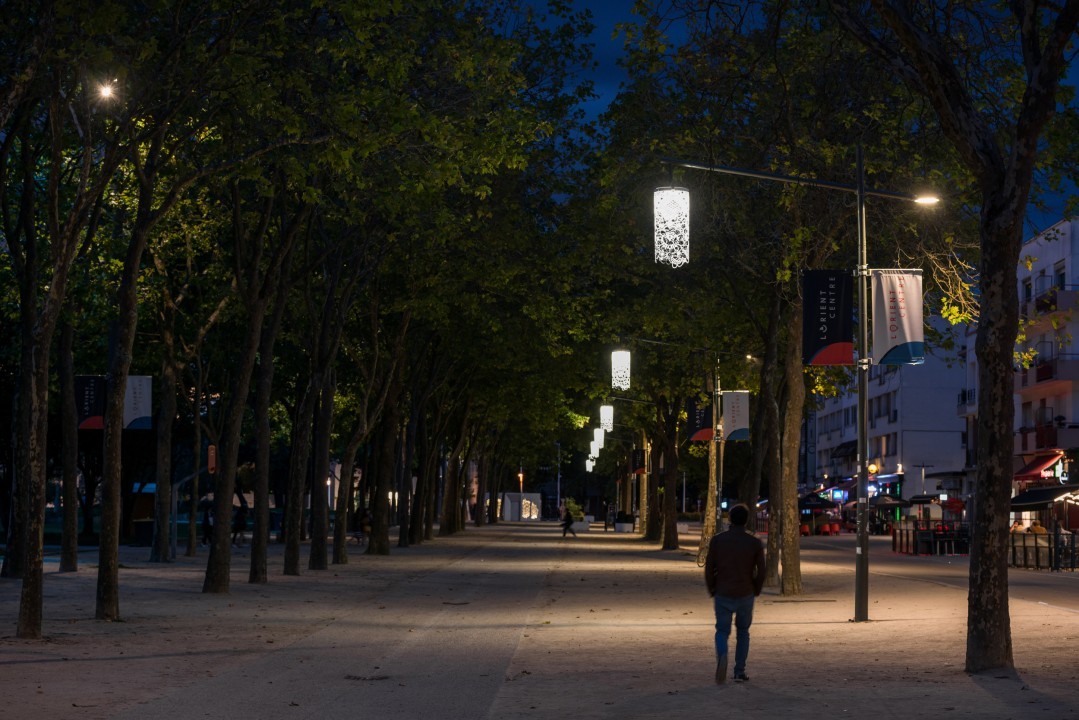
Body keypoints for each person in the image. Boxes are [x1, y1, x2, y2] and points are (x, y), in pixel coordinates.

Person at [704, 503, 765, 685]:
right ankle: (739, 671)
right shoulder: (754, 543)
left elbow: (709, 568)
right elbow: (761, 571)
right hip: (745, 592)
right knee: (743, 632)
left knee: (722, 631)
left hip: (723, 591)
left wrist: (712, 587)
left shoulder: (718, 540)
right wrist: (756, 588)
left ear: (729, 519)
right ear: (747, 520)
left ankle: (722, 654)